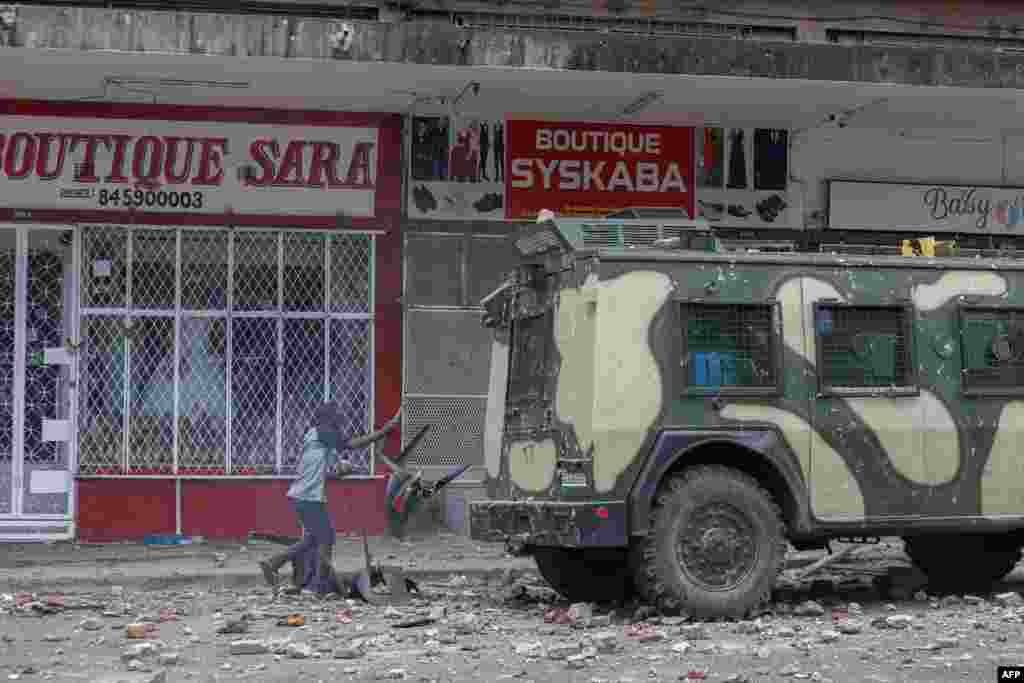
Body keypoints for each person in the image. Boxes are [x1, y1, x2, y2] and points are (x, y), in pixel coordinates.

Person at [258, 403, 401, 597]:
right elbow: (351, 445)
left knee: (313, 539)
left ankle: (275, 563)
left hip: (302, 498)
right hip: (310, 499)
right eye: (336, 419)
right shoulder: (321, 432)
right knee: (326, 540)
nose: (339, 423)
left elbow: (325, 475)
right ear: (328, 420)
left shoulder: (315, 439)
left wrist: (342, 473)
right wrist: (384, 431)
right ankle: (318, 588)